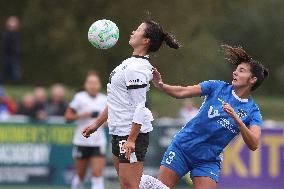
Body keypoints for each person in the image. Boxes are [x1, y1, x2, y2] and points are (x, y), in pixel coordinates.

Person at [139, 44, 269, 189]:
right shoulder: (217, 87)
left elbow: (254, 144)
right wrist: (162, 85)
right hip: (183, 148)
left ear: (253, 79)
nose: (235, 73)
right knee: (160, 187)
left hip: (208, 160)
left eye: (241, 71)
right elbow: (182, 92)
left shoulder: (253, 111)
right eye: (236, 69)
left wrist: (237, 119)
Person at [82, 20, 180, 189]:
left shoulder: (137, 69)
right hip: (118, 131)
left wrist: (131, 139)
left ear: (146, 40)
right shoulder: (128, 63)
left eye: (138, 30)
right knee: (129, 183)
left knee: (129, 186)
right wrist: (97, 124)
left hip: (130, 134)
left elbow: (139, 107)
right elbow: (116, 100)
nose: (132, 32)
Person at [65, 71, 107, 189]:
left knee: (97, 174)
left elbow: (111, 118)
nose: (92, 86)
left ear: (99, 85)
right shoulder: (79, 98)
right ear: (85, 85)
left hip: (98, 142)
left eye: (95, 83)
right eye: (90, 83)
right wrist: (83, 115)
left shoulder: (105, 99)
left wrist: (105, 122)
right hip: (81, 141)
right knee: (81, 175)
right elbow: (67, 117)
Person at [2, 16, 21, 84]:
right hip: (8, 55)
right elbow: (6, 45)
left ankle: (15, 84)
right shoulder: (7, 34)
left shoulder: (15, 33)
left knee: (13, 71)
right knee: (10, 71)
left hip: (13, 55)